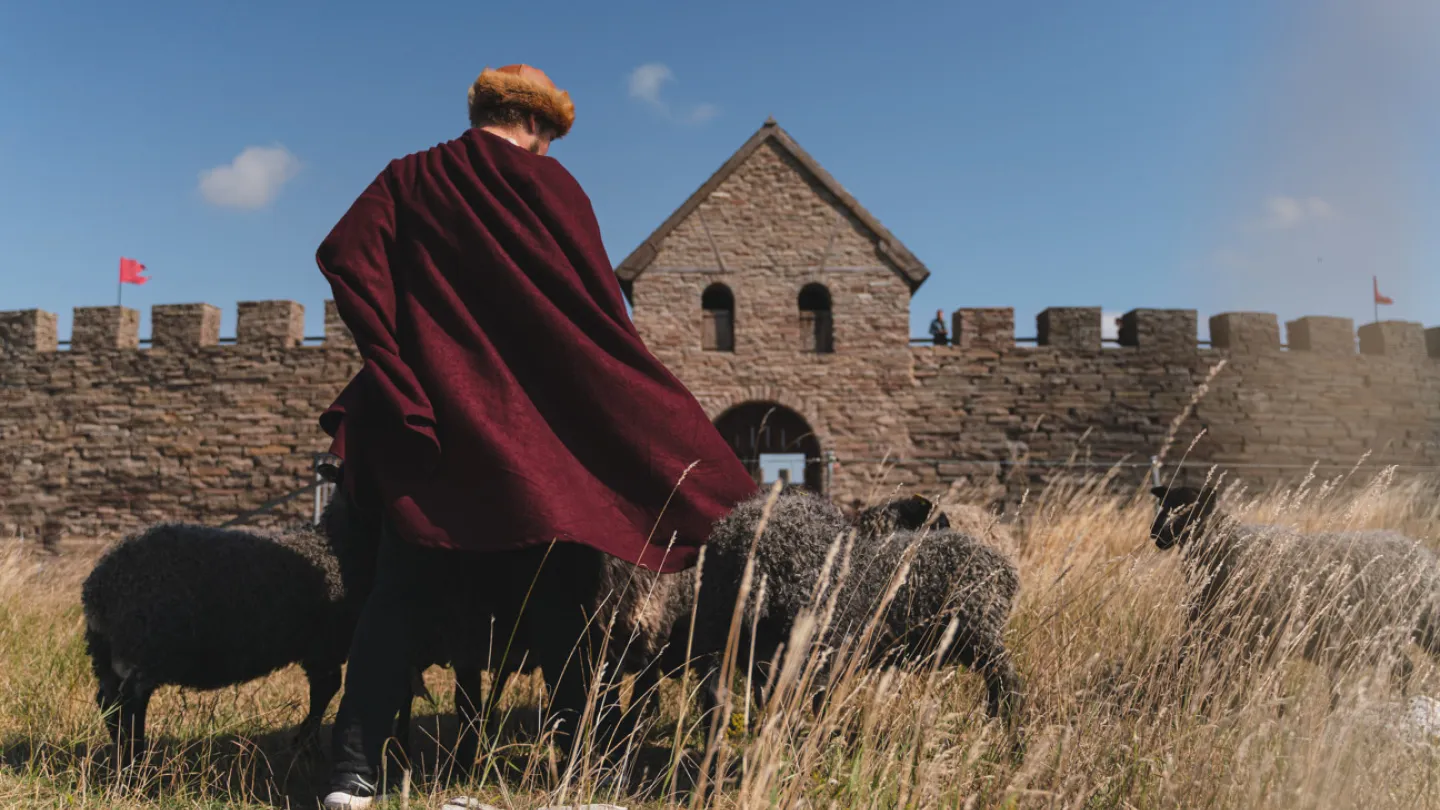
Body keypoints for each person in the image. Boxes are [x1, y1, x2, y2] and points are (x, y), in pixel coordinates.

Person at [316, 64, 757, 809]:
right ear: (538, 126)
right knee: (564, 608)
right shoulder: (555, 189)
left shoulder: (408, 176)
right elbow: (594, 320)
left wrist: (397, 364)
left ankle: (352, 776)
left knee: (398, 599)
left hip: (439, 435)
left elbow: (344, 256)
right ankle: (593, 767)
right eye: (548, 137)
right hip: (535, 444)